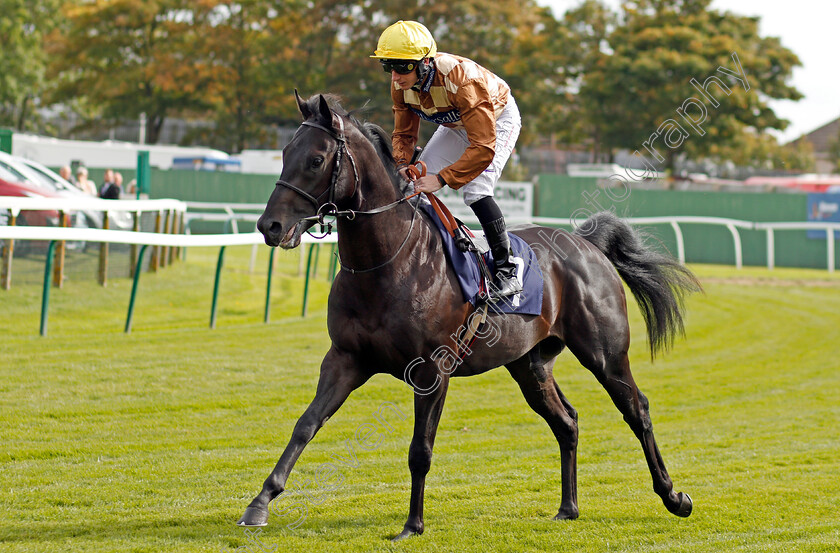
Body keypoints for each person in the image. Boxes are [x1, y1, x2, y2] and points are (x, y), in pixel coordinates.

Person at [372, 20, 523, 300]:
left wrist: (442, 178)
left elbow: (483, 146)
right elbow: (404, 134)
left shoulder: (463, 80)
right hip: (457, 125)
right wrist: (403, 164)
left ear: (426, 62)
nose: (395, 76)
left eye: (403, 66)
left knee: (475, 190)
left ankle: (508, 268)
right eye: (388, 66)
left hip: (496, 122)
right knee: (414, 187)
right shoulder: (400, 85)